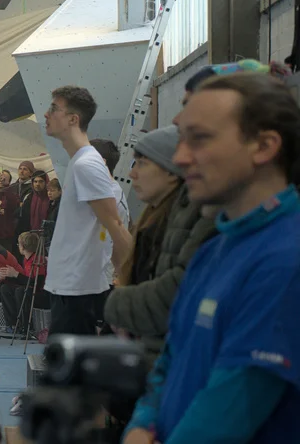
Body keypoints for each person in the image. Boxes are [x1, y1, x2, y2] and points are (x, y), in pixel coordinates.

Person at [124, 74, 300, 444]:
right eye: (182, 139)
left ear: (264, 146)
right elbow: (170, 360)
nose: (181, 157)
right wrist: (141, 423)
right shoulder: (214, 251)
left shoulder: (287, 259)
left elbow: (227, 414)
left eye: (199, 139)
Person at [104, 125, 214, 362]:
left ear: (172, 172)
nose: (133, 174)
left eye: (142, 163)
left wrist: (116, 305)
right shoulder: (155, 217)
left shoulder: (188, 219)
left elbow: (175, 291)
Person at [42, 85, 131, 337]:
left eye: (54, 109)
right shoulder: (79, 163)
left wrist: (131, 284)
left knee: (73, 375)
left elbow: (116, 226)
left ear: (73, 119)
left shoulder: (87, 165)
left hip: (77, 290)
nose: (47, 114)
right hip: (69, 288)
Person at [0, 231, 47, 336]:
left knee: (20, 291)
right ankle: (11, 324)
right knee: (5, 288)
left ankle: (25, 326)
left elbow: (36, 283)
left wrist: (16, 274)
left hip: (40, 294)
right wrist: (8, 276)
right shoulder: (26, 259)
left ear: (23, 246)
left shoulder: (38, 260)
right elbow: (24, 280)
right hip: (29, 291)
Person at [16, 171, 52, 238]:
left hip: (46, 238)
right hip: (30, 237)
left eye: (41, 181)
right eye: (35, 181)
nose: (37, 184)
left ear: (46, 182)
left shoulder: (51, 198)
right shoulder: (29, 197)